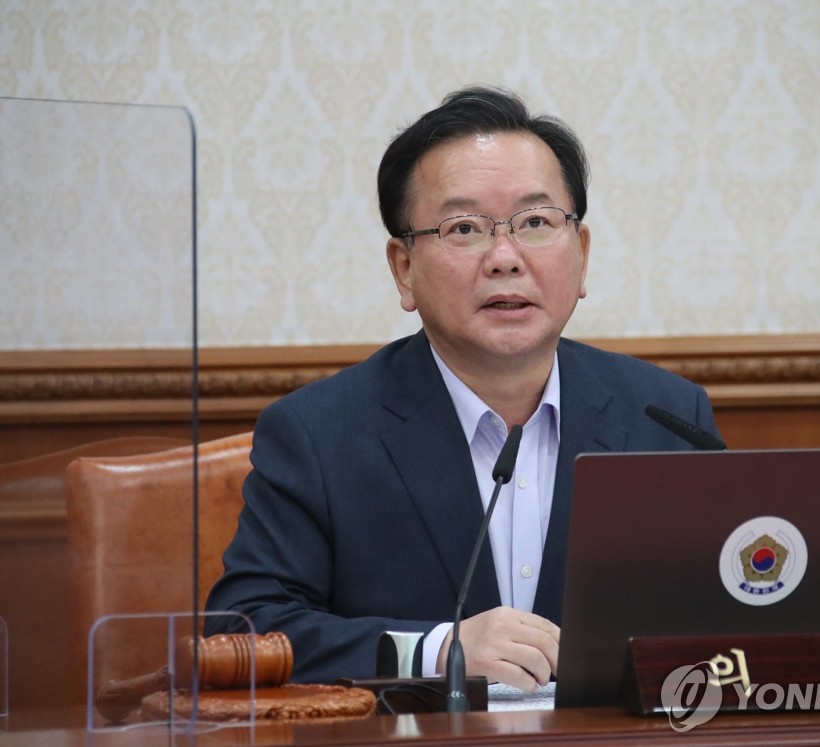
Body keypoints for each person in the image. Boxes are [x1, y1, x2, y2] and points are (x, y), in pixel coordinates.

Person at [204, 85, 720, 692]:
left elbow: (728, 614)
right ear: (403, 269)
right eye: (465, 227)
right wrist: (435, 651)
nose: (505, 258)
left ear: (581, 254)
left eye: (535, 222)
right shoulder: (319, 434)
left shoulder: (667, 417)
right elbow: (245, 630)